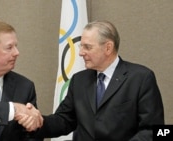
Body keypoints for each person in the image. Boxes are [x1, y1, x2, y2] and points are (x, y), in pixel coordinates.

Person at [20, 20, 165, 141]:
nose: (81, 52)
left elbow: (152, 131)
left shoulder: (140, 78)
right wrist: (38, 121)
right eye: (81, 46)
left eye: (87, 47)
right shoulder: (79, 81)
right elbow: (64, 120)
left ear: (108, 48)